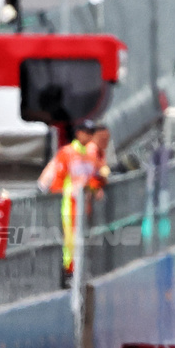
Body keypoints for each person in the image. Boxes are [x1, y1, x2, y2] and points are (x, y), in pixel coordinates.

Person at [44, 119, 105, 279]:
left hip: (84, 204)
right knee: (69, 240)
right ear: (78, 133)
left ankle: (78, 270)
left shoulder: (90, 153)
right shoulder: (68, 152)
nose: (89, 136)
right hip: (68, 203)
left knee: (81, 239)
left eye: (91, 133)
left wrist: (96, 187)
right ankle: (68, 271)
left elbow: (92, 176)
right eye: (86, 132)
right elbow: (58, 179)